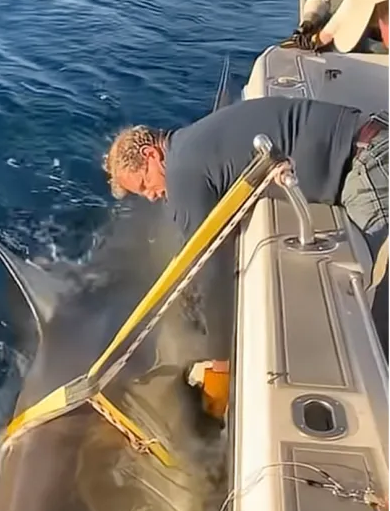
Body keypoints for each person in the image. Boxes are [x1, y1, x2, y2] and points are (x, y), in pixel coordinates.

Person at [102, 97, 389, 415]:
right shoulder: (193, 142)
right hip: (369, 140)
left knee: (381, 309)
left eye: (145, 184)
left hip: (371, 165)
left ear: (151, 154)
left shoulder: (182, 171)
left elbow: (209, 267)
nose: (152, 196)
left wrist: (221, 366)